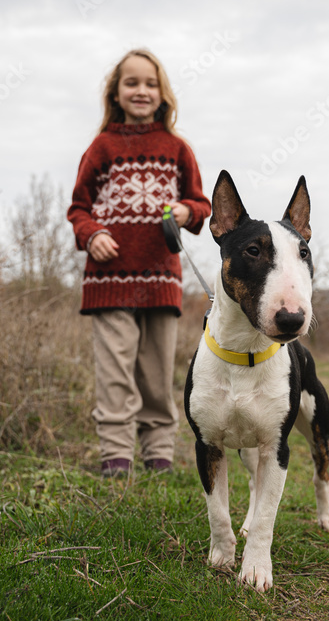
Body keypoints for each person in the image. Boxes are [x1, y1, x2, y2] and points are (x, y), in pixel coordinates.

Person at [67, 49, 211, 477]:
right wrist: (92, 235)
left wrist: (186, 211)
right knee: (114, 375)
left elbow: (202, 204)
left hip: (161, 280)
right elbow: (78, 209)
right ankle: (116, 460)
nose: (141, 91)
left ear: (163, 93)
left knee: (155, 375)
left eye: (150, 83)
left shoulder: (177, 148)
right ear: (116, 93)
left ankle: (159, 458)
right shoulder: (102, 147)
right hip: (108, 283)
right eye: (131, 83)